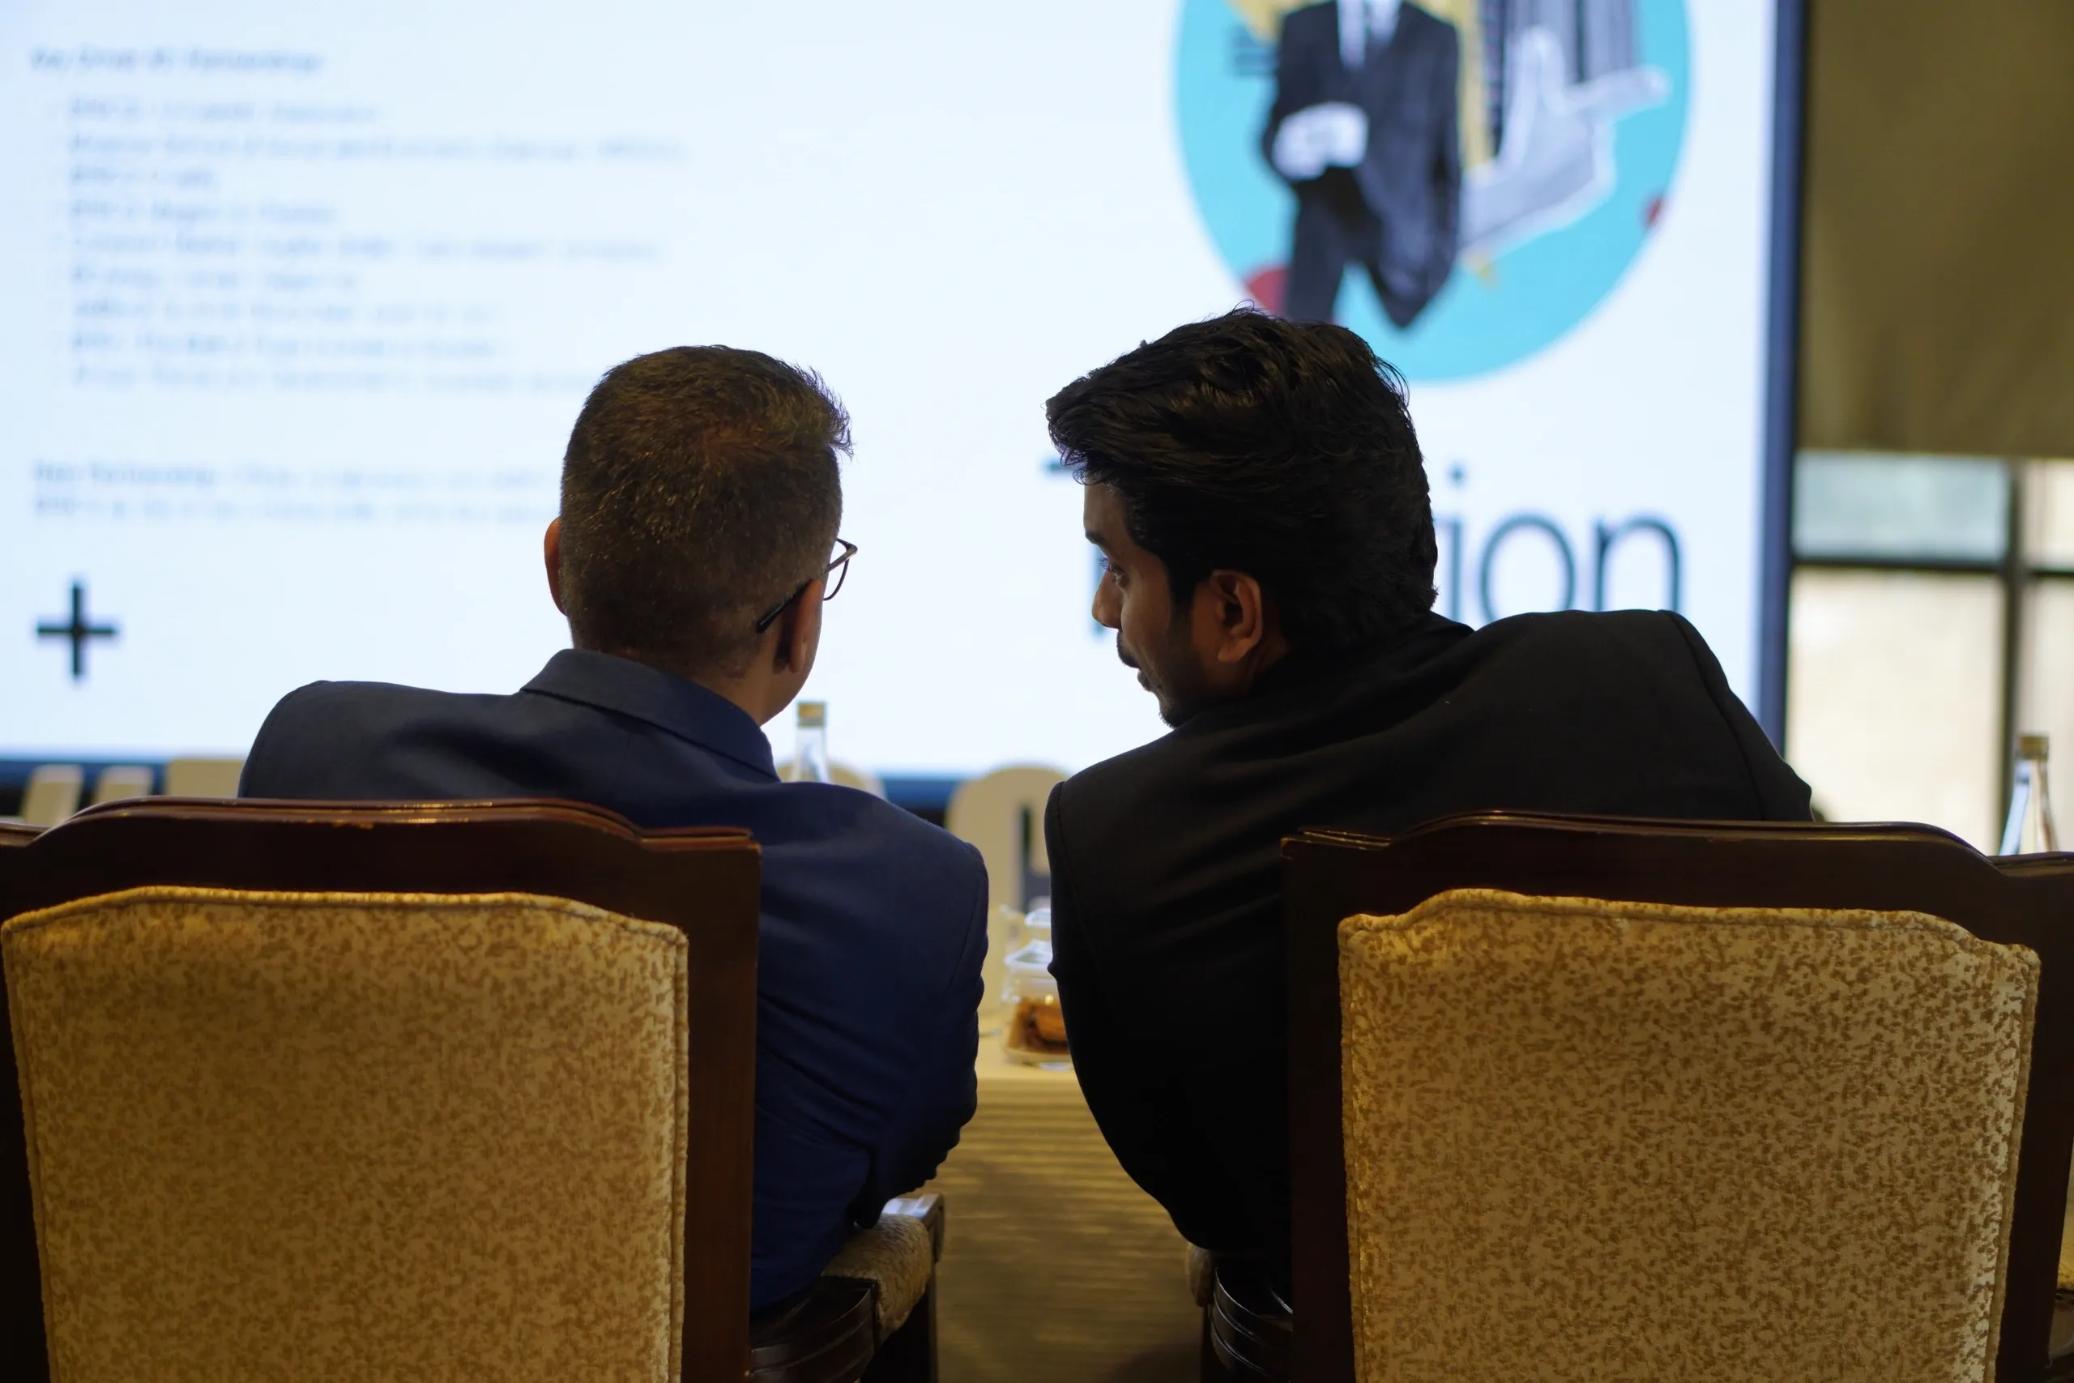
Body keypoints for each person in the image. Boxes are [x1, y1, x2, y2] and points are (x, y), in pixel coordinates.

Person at [1040, 308, 1810, 1287]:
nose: (1106, 607)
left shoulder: (1122, 840)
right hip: (1731, 1313)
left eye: (1119, 569)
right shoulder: (1655, 679)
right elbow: (1823, 981)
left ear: (1233, 610)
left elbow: (1218, 1215)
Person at [241, 346, 987, 1311]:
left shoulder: (316, 755)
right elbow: (893, 1162)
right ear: (803, 622)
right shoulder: (909, 892)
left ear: (558, 565)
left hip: (312, 1332)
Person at [1264, 0, 1462, 327]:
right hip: (1320, 239)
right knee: (1305, 345)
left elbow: (1445, 158)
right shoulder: (1303, 26)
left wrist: (1441, 254)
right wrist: (1286, 147)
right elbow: (1274, 128)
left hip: (1396, 233)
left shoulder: (1435, 37)